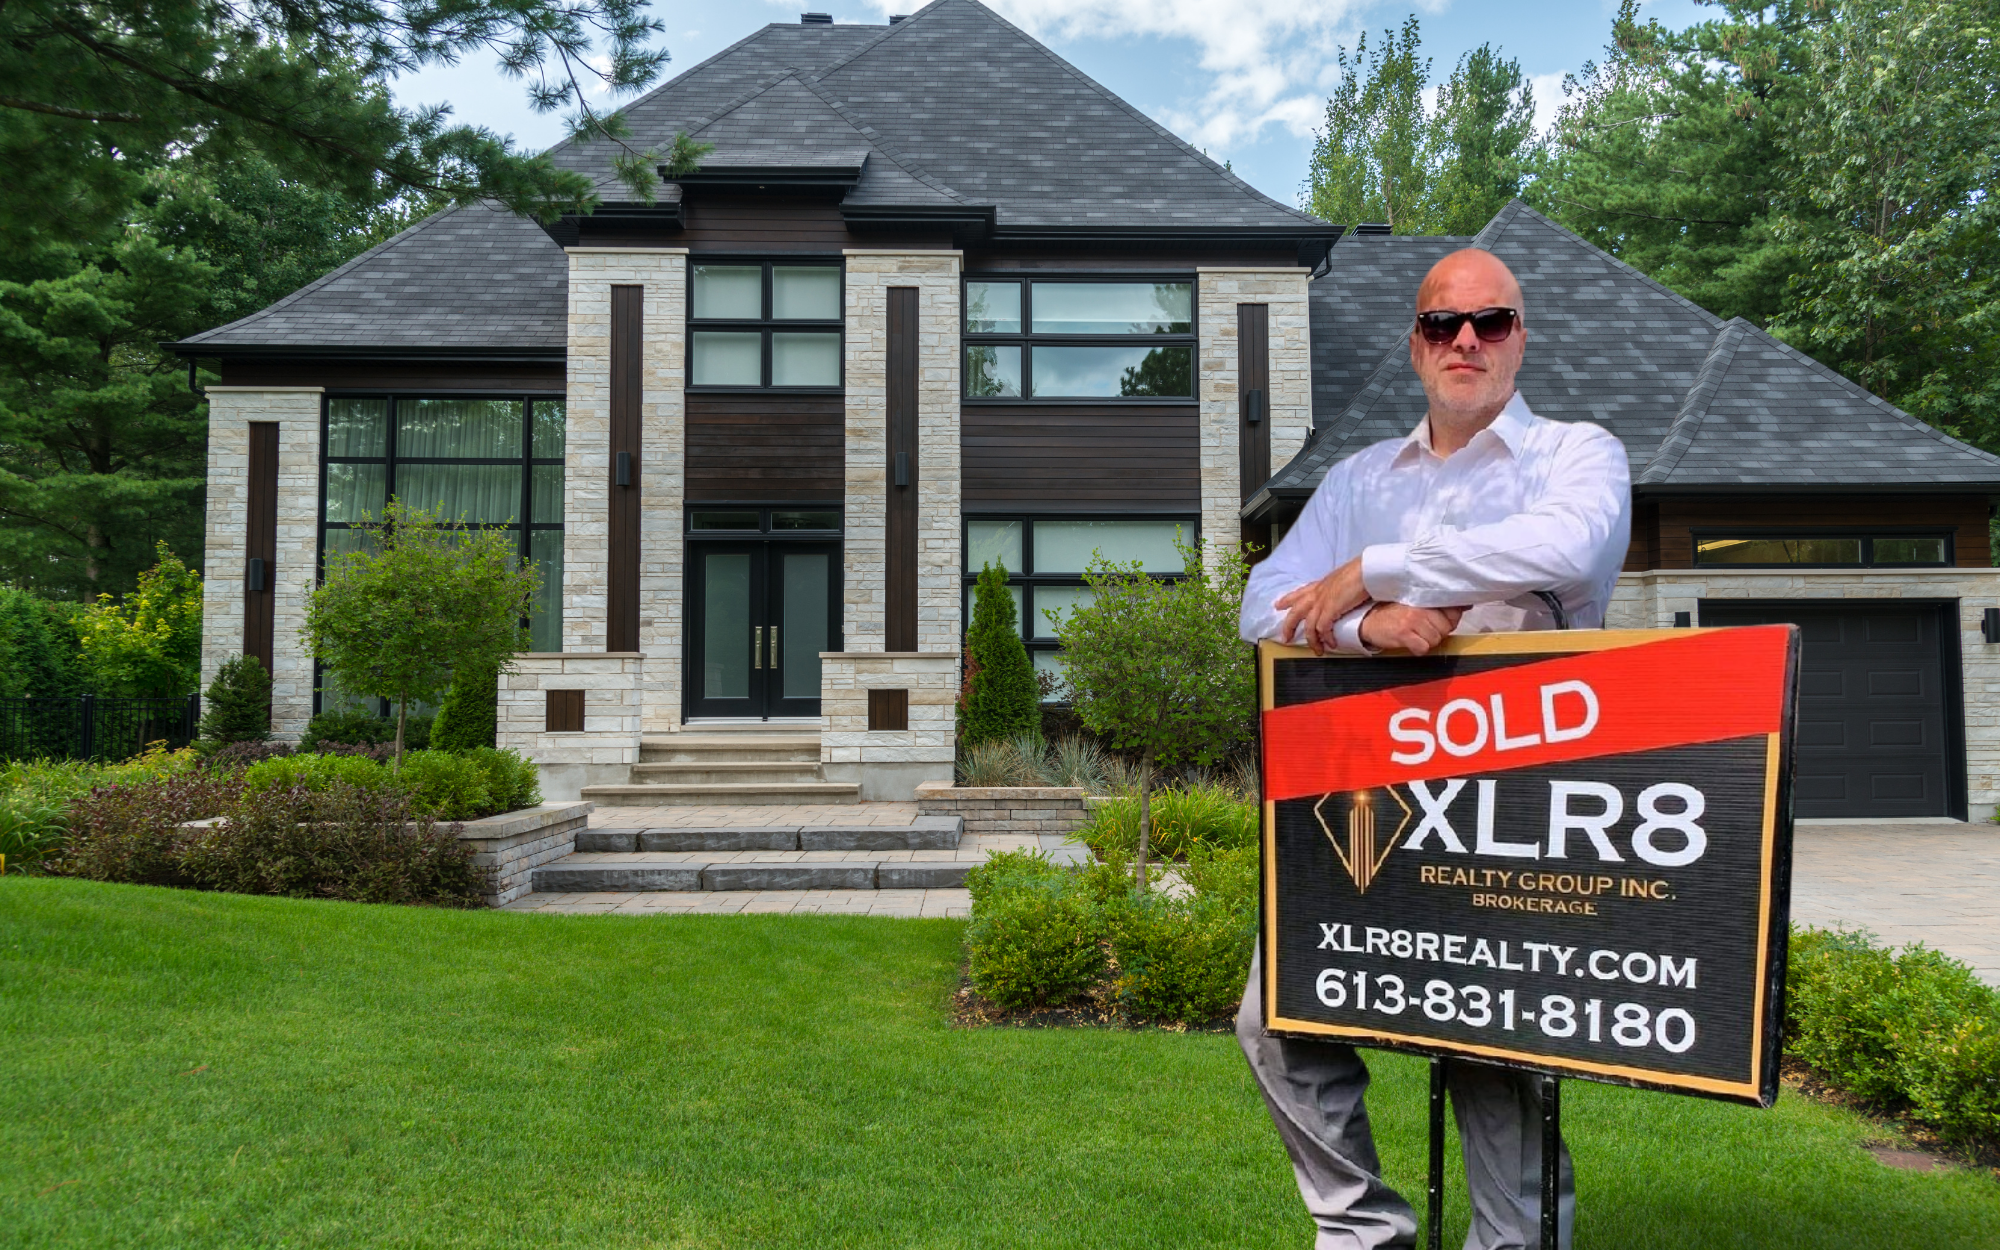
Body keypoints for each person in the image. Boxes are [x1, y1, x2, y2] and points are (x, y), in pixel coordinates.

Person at [1236, 247, 1631, 1250]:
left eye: (1488, 322)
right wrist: (1372, 628)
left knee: (1490, 1037)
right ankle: (1362, 1230)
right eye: (1441, 325)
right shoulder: (1359, 476)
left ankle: (1513, 1240)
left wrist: (1373, 569)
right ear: (1414, 344)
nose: (1464, 340)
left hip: (1515, 787)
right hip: (1368, 785)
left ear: (1517, 338)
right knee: (1277, 1009)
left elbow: (1567, 548)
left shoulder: (1578, 454)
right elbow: (1257, 603)